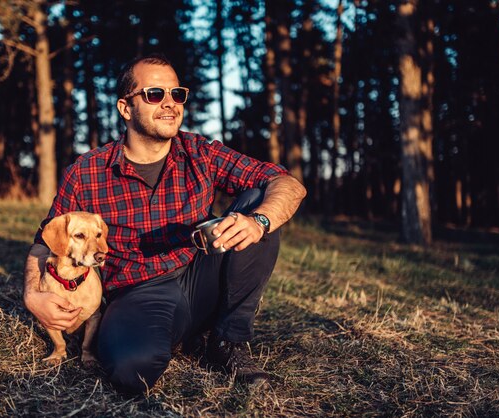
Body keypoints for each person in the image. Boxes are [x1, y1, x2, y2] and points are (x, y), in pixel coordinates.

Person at [23, 54, 306, 394]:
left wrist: (260, 221)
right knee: (131, 372)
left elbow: (286, 182)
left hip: (201, 272)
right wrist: (31, 294)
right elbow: (44, 241)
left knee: (259, 203)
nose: (170, 104)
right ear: (126, 108)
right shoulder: (86, 173)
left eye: (177, 94)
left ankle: (228, 341)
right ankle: (173, 336)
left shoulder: (201, 152)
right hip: (138, 293)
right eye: (155, 94)